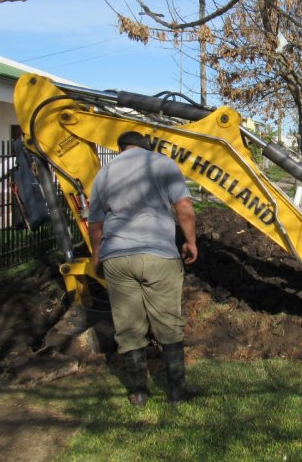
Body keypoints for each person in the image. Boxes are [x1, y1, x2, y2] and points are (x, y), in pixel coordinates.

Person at [87, 130, 199, 408]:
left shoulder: (105, 173)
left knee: (128, 326)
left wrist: (97, 256)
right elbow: (183, 206)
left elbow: (95, 222)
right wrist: (191, 241)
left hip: (118, 257)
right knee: (169, 324)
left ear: (121, 148)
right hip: (158, 254)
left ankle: (138, 394)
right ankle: (176, 393)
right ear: (145, 146)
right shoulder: (162, 164)